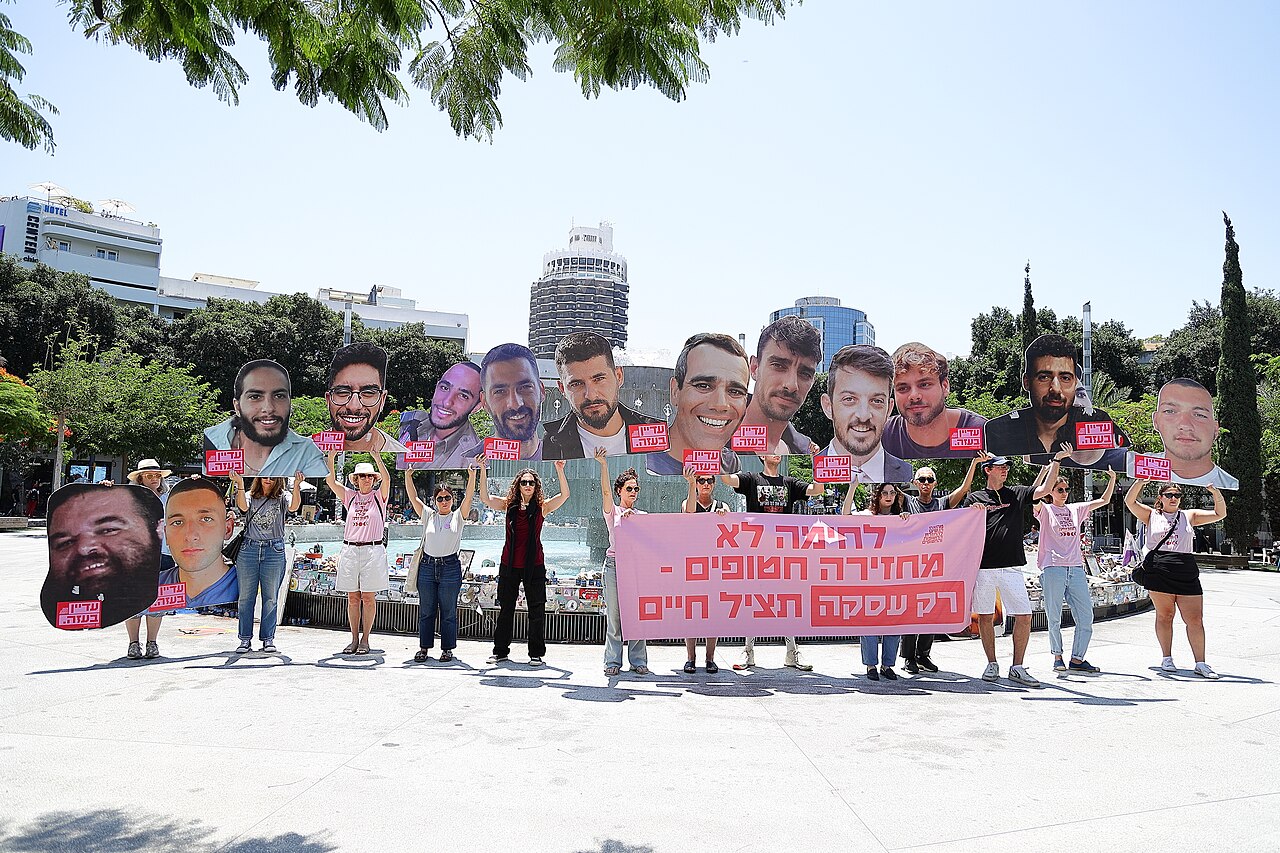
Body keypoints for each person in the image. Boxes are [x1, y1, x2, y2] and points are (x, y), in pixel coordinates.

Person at [960, 452, 1065, 687]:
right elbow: (961, 526)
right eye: (999, 467)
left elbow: (1045, 489)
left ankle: (1017, 667)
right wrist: (971, 510)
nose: (1004, 470)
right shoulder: (974, 497)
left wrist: (1056, 462)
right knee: (985, 617)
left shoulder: (1017, 492)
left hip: (1012, 567)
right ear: (988, 470)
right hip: (984, 567)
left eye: (1006, 466)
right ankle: (992, 663)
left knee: (1025, 616)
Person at [723, 454, 825, 671]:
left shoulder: (790, 483)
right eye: (771, 448)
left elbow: (817, 490)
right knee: (753, 601)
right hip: (756, 552)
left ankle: (791, 653)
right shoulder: (751, 479)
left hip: (783, 553)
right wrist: (720, 452)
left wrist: (818, 461)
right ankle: (748, 652)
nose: (776, 451)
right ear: (761, 455)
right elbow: (726, 480)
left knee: (786, 602)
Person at [1124, 479, 1228, 678]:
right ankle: (1167, 658)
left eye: (1177, 495)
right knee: (1165, 615)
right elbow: (1130, 502)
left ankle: (1201, 663)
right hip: (1159, 568)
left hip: (1185, 567)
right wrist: (1140, 482)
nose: (1173, 499)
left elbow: (1219, 514)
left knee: (1195, 619)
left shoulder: (1189, 516)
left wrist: (1215, 492)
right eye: (1169, 495)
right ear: (1160, 498)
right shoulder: (1151, 515)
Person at [983, 334, 1128, 469]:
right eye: (1044, 377)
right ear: (1026, 382)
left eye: (1065, 378)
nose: (1056, 389)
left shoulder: (1108, 432)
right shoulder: (999, 431)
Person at [476, 459, 570, 666]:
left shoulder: (541, 508)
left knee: (536, 610)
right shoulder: (507, 505)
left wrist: (559, 470)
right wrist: (482, 470)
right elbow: (484, 497)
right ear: (517, 485)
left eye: (531, 483)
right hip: (509, 564)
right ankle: (500, 651)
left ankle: (535, 654)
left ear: (536, 487)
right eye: (524, 482)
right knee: (506, 609)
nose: (527, 486)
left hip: (534, 565)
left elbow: (564, 496)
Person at [42, 482, 164, 634]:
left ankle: (151, 642)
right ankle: (134, 643)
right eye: (65, 543)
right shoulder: (58, 601)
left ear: (157, 529)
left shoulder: (167, 573)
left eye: (108, 530)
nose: (84, 549)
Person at [898, 458, 982, 673]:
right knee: (910, 613)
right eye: (922, 479)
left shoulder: (942, 504)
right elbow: (886, 489)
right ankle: (908, 657)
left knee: (931, 612)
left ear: (935, 483)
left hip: (936, 567)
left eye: (930, 479)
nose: (926, 483)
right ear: (915, 483)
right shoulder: (907, 502)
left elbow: (963, 489)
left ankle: (923, 654)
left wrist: (974, 463)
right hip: (912, 567)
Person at [1036, 470, 1117, 674]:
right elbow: (1033, 495)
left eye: (1066, 489)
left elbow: (1104, 500)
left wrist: (1113, 479)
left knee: (1085, 616)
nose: (1064, 493)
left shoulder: (1075, 509)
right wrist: (1044, 473)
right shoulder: (1045, 510)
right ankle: (1057, 656)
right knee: (1054, 615)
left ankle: (1077, 659)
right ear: (1051, 492)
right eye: (1059, 489)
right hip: (1053, 566)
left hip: (1075, 568)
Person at [542, 332, 662, 460]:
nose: (591, 395)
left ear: (619, 376)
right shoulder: (548, 444)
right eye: (577, 384)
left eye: (599, 379)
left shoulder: (657, 434)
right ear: (562, 389)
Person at [404, 462, 478, 662]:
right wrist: (408, 475)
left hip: (450, 567)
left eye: (447, 498)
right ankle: (424, 648)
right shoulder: (428, 515)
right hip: (427, 567)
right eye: (440, 498)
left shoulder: (458, 517)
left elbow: (469, 496)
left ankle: (447, 649)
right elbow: (413, 498)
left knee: (448, 611)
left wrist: (472, 475)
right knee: (426, 610)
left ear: (453, 500)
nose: (444, 501)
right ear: (435, 501)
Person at [203, 359, 328, 478]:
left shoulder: (306, 452)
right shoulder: (212, 440)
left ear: (290, 403)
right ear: (237, 406)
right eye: (255, 397)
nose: (269, 408)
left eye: (279, 396)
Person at [646, 333, 747, 475]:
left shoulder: (732, 464)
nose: (720, 404)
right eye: (703, 386)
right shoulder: (645, 462)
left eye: (735, 391)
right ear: (675, 391)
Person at [228, 471, 302, 654]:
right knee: (246, 597)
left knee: (271, 597)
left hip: (274, 549)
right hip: (249, 549)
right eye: (264, 476)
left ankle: (268, 639)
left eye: (272, 476)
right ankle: (245, 639)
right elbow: (243, 507)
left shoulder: (283, 496)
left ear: (278, 478)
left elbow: (294, 507)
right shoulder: (250, 495)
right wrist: (239, 482)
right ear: (258, 478)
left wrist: (298, 485)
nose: (268, 479)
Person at [325, 451, 391, 655]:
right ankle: (353, 638)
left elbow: (387, 479)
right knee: (352, 597)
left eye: (370, 475)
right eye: (362, 476)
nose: (366, 479)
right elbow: (330, 481)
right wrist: (331, 457)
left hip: (372, 549)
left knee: (369, 597)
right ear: (356, 479)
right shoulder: (350, 497)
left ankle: (366, 639)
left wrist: (377, 457)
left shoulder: (379, 496)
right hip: (351, 548)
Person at [844, 482, 910, 680]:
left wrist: (906, 520)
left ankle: (888, 665)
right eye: (884, 493)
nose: (888, 496)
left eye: (892, 493)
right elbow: (845, 516)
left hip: (894, 577)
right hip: (870, 578)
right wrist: (852, 487)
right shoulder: (867, 516)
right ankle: (871, 665)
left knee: (894, 622)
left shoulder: (901, 518)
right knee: (869, 622)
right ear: (878, 496)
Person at [817, 344, 912, 482]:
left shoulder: (910, 475)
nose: (863, 416)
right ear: (828, 406)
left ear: (889, 409)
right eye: (849, 399)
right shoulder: (805, 474)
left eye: (876, 401)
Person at [595, 447, 650, 675]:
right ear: (620, 491)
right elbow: (605, 494)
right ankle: (612, 662)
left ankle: (638, 660)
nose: (634, 492)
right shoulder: (613, 512)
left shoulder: (643, 516)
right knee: (615, 616)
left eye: (636, 488)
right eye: (629, 489)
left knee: (637, 616)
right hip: (614, 566)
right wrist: (604, 465)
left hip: (636, 568)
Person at [883, 342, 988, 459]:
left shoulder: (983, 432)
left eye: (924, 384)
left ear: (945, 387)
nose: (914, 396)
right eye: (903, 388)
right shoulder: (880, 436)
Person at [1130, 379, 1239, 488]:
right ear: (1156, 421)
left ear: (1215, 429)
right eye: (1170, 411)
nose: (1185, 425)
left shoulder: (1231, 485)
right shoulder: (1136, 466)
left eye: (1199, 415)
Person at [740, 316, 822, 455]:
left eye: (805, 374)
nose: (791, 385)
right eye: (778, 366)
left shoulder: (807, 452)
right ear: (754, 368)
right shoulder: (710, 439)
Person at [161, 477, 239, 610]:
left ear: (228, 529)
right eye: (178, 522)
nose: (190, 536)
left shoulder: (252, 590)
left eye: (206, 519)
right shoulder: (146, 592)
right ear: (166, 534)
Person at [681, 464, 729, 673]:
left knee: (713, 615)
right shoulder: (687, 502)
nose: (706, 484)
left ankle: (710, 658)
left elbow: (729, 520)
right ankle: (691, 657)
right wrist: (691, 484)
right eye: (701, 480)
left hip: (715, 567)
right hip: (693, 566)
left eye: (709, 480)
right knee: (692, 614)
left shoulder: (722, 505)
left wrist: (723, 515)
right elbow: (689, 512)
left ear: (715, 483)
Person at [123, 460, 173, 658]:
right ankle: (133, 643)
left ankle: (152, 642)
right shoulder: (130, 498)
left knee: (158, 599)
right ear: (140, 478)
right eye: (149, 475)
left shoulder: (169, 498)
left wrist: (195, 483)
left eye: (157, 475)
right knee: (133, 599)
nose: (154, 478)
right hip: (136, 554)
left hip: (163, 552)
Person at [325, 342, 408, 454]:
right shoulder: (304, 453)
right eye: (343, 392)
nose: (354, 406)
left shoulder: (400, 456)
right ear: (328, 399)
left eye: (368, 393)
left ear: (382, 400)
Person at [400, 361, 485, 469]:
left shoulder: (470, 458)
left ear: (477, 407)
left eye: (463, 396)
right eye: (444, 388)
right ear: (436, 387)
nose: (447, 402)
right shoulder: (412, 421)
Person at [480, 343, 545, 460]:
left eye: (525, 387)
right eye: (500, 391)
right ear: (484, 402)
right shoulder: (467, 462)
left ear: (541, 391)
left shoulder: (564, 459)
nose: (515, 404)